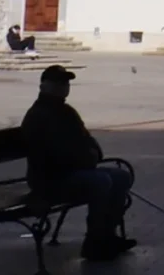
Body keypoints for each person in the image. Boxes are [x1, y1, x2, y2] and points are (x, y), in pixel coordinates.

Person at [20, 65, 135, 261]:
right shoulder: (40, 115)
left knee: (120, 176)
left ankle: (107, 234)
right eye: (58, 83)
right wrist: (85, 159)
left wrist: (92, 153)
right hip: (50, 179)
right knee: (101, 182)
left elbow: (86, 139)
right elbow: (54, 154)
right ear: (44, 86)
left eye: (65, 83)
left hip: (72, 171)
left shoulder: (66, 111)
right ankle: (95, 242)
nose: (64, 87)